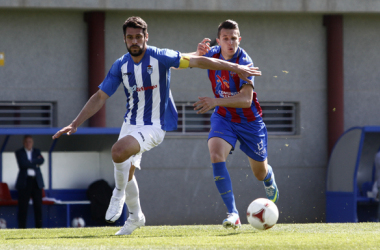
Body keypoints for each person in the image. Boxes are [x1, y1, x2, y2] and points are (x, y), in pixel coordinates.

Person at [52, 16, 262, 235]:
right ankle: (135, 217)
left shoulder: (160, 56)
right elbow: (100, 96)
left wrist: (235, 67)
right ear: (124, 39)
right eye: (130, 37)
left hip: (155, 125)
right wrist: (75, 123)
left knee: (118, 152)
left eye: (138, 37)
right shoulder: (120, 65)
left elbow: (200, 62)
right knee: (128, 170)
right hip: (130, 124)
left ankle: (118, 192)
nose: (134, 41)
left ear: (146, 37)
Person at [192, 19, 279, 229]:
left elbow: (246, 100)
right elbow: (181, 63)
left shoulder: (245, 62)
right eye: (225, 38)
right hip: (224, 117)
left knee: (259, 173)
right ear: (218, 41)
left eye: (234, 38)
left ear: (239, 39)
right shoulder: (212, 53)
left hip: (250, 122)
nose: (230, 42)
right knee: (215, 153)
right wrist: (196, 53)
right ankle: (233, 213)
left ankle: (268, 176)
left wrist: (214, 101)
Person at [15, 135, 45, 228]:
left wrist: (30, 162)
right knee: (23, 207)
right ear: (24, 143)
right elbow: (22, 164)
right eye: (27, 142)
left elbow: (42, 160)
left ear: (32, 142)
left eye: (30, 142)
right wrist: (34, 163)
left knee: (38, 207)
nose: (28, 143)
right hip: (25, 182)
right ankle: (22, 229)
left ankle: (39, 229)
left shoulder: (37, 151)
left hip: (36, 182)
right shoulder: (19, 152)